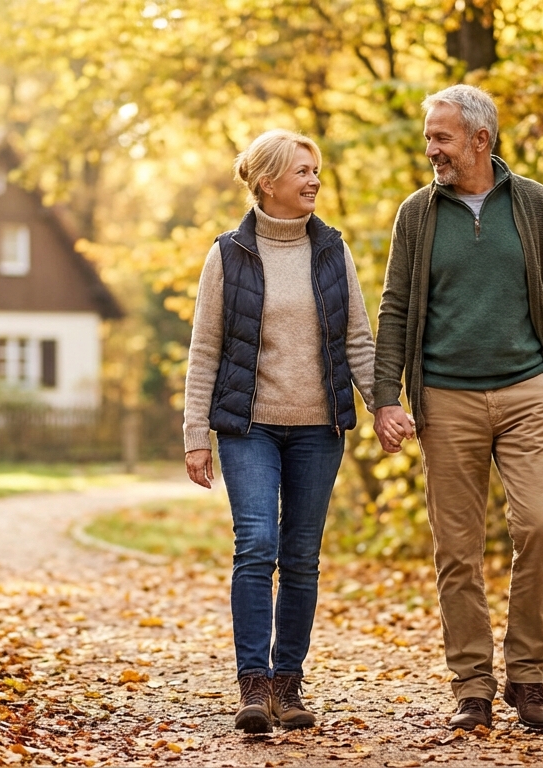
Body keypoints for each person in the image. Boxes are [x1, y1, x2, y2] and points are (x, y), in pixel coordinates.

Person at [372, 85, 543, 732]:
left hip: (527, 392)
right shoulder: (418, 214)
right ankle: (472, 686)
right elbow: (395, 308)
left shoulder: (533, 204)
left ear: (480, 141)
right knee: (457, 550)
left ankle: (528, 675)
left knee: (541, 524)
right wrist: (385, 396)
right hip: (446, 397)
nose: (430, 147)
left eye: (441, 137)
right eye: (430, 136)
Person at [183, 129, 399, 733]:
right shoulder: (228, 254)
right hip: (247, 426)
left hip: (318, 428)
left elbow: (359, 339)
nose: (313, 181)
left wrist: (384, 404)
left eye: (316, 171)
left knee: (301, 557)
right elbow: (204, 351)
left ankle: (288, 683)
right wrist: (194, 433)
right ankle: (252, 685)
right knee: (256, 544)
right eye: (301, 171)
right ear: (266, 182)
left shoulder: (332, 251)